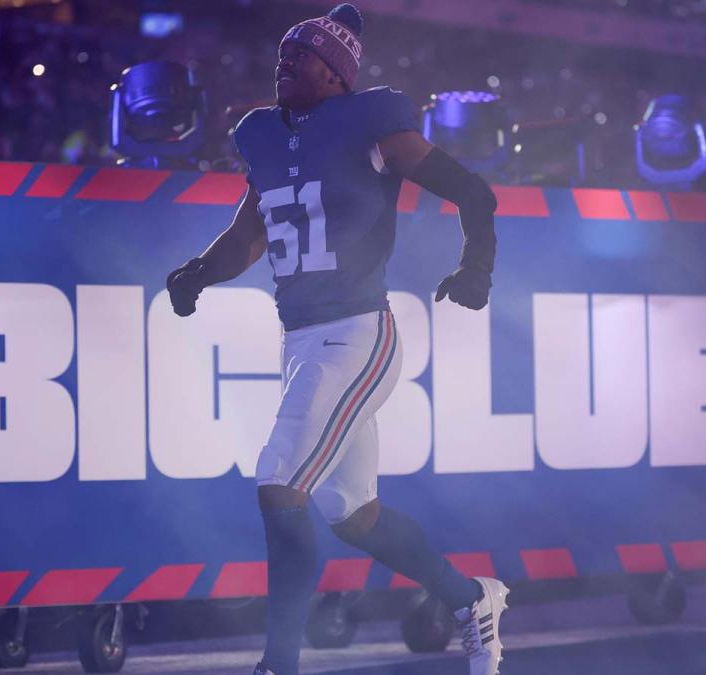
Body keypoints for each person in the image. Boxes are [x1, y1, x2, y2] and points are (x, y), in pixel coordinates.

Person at [165, 5, 507, 674]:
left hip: (357, 331)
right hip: (302, 341)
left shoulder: (370, 121)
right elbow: (250, 231)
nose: (283, 62)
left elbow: (472, 191)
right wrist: (201, 271)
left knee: (278, 482)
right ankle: (471, 598)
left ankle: (278, 663)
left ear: (336, 75)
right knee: (351, 512)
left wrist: (477, 265)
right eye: (283, 51)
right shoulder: (263, 134)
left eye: (302, 55)